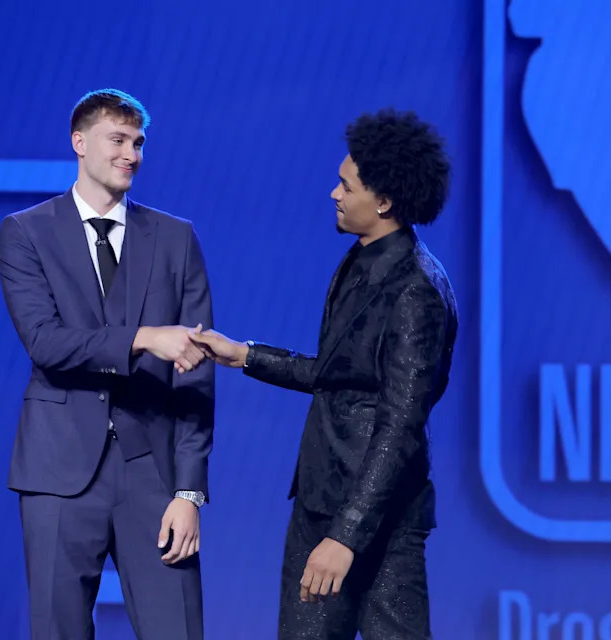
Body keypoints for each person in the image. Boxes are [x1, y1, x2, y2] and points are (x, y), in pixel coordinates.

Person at [192, 109, 457, 640]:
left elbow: (401, 425)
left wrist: (346, 536)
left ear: (383, 201)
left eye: (346, 185)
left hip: (377, 519)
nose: (334, 193)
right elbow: (339, 373)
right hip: (321, 499)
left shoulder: (415, 292)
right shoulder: (359, 261)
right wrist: (243, 355)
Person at [0, 89, 214, 640]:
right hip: (57, 471)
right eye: (118, 140)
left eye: (139, 143)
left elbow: (198, 374)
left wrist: (188, 493)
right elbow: (46, 343)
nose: (131, 154)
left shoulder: (175, 238)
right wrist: (145, 338)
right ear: (80, 143)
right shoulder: (26, 233)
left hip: (154, 474)